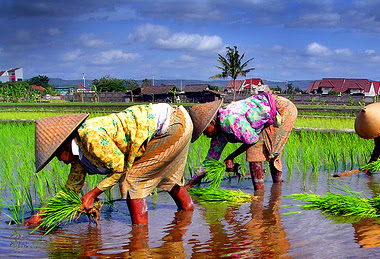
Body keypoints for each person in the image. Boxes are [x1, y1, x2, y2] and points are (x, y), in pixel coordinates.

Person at [25, 103, 194, 227]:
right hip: (178, 120)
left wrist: (92, 194)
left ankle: (139, 239)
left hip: (171, 124)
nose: (60, 161)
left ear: (64, 146)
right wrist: (40, 215)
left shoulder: (89, 136)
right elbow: (69, 191)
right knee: (168, 178)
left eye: (57, 156)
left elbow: (120, 168)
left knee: (132, 180)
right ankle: (188, 216)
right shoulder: (79, 159)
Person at [185, 92, 297, 190]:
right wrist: (189, 185)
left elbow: (252, 140)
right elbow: (209, 163)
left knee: (262, 153)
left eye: (204, 131)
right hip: (265, 117)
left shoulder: (230, 119)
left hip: (281, 109)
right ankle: (271, 191)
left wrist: (231, 157)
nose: (205, 135)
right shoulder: (218, 136)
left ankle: (262, 195)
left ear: (213, 123)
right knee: (261, 152)